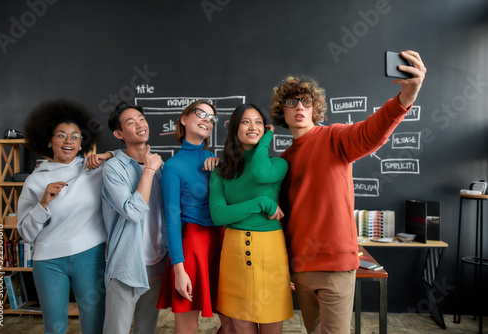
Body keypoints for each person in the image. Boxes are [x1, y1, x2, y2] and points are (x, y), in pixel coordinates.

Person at [269, 50, 427, 334]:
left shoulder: (334, 137)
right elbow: (283, 216)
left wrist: (406, 98)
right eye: (291, 102)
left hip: (335, 266)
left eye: (306, 101)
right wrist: (286, 266)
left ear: (315, 108)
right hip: (300, 267)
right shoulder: (282, 160)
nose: (300, 107)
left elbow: (371, 131)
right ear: (283, 112)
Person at [17, 99, 112, 334]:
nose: (68, 141)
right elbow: (26, 233)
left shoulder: (96, 171)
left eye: (75, 136)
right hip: (48, 262)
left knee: (94, 326)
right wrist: (43, 203)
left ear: (82, 143)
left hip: (90, 256)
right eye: (61, 135)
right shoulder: (35, 180)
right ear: (49, 141)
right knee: (54, 328)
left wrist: (109, 154)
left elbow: (134, 157)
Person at [209, 104, 294, 334]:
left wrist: (267, 138)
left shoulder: (278, 165)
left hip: (271, 252)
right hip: (234, 252)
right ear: (235, 128)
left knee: (271, 321)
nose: (252, 127)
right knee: (241, 325)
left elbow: (260, 173)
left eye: (258, 122)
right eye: (246, 122)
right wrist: (260, 203)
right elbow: (218, 215)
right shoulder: (222, 171)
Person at [156, 100, 234, 334]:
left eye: (211, 118)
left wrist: (221, 168)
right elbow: (171, 219)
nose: (206, 120)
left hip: (221, 243)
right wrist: (179, 270)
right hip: (191, 247)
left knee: (233, 324)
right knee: (187, 326)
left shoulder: (213, 160)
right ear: (183, 119)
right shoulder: (172, 166)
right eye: (200, 114)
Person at [101, 101, 168, 334]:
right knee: (115, 330)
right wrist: (148, 171)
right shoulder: (113, 168)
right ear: (119, 133)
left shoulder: (160, 166)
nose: (140, 124)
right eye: (131, 122)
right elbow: (132, 211)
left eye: (141, 118)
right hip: (127, 264)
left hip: (157, 263)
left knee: (146, 329)